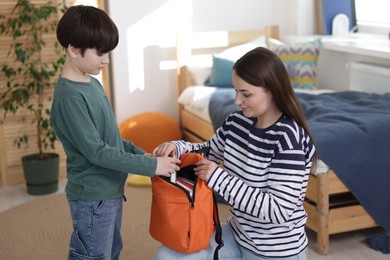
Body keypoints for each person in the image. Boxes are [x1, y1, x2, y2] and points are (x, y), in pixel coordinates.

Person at [153, 46, 317, 260]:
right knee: (167, 255)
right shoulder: (237, 122)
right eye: (236, 91)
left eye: (246, 94)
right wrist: (179, 147)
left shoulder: (288, 139)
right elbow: (209, 151)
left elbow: (279, 211)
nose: (237, 101)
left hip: (276, 252)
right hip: (239, 236)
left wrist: (219, 178)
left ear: (273, 91)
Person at [51, 5, 180, 260]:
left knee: (111, 250)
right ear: (74, 50)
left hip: (110, 190)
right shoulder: (70, 98)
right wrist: (149, 165)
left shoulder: (91, 83)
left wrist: (140, 153)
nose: (107, 60)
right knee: (92, 255)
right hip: (93, 196)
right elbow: (97, 152)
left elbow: (110, 139)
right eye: (100, 53)